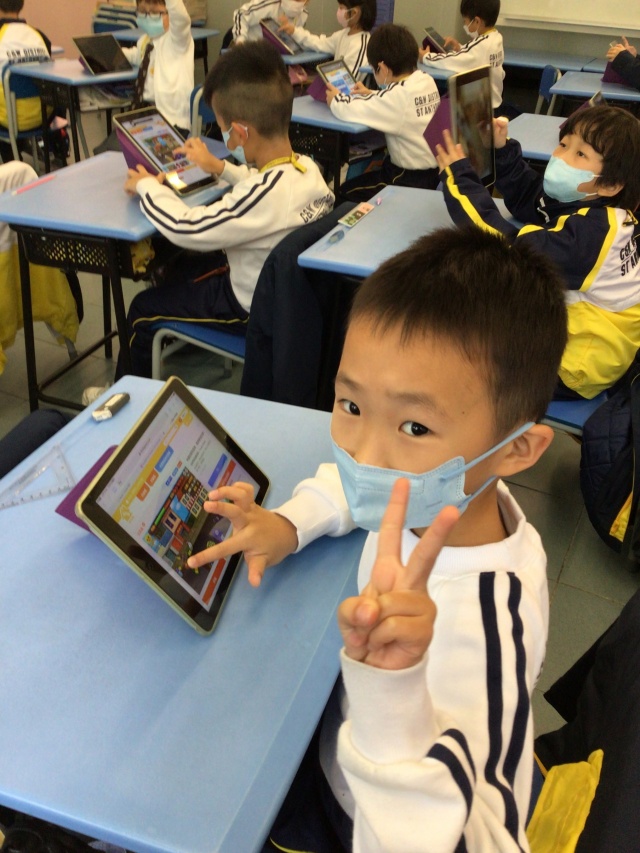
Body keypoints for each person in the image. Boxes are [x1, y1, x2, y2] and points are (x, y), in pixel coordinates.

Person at [185, 225, 569, 851]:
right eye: (351, 405)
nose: (365, 453)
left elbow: (488, 838)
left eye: (414, 427)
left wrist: (394, 700)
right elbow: (351, 484)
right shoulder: (436, 492)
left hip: (358, 815)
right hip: (339, 734)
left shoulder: (485, 624)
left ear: (517, 449)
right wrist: (289, 524)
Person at [82, 40, 333, 400]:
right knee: (177, 271)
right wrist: (220, 168)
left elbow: (187, 227)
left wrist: (148, 187)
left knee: (141, 309)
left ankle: (124, 402)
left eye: (224, 129)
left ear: (241, 133)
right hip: (286, 302)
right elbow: (264, 185)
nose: (224, 137)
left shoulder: (262, 197)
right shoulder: (307, 169)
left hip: (249, 310)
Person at [436, 104, 640, 401]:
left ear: (610, 185)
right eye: (563, 144)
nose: (561, 157)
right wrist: (502, 150)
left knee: (462, 339)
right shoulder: (597, 207)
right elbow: (534, 201)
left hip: (573, 367)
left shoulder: (590, 236)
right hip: (581, 334)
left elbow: (506, 247)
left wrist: (458, 179)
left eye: (580, 154)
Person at [327, 23, 440, 203]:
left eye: (374, 69)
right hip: (432, 175)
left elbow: (348, 109)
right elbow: (398, 102)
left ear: (383, 68)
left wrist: (335, 99)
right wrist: (371, 93)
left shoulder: (397, 97)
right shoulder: (425, 81)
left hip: (405, 180)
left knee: (342, 192)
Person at [420, 0, 505, 111]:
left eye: (465, 21)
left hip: (481, 109)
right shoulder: (496, 37)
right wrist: (459, 47)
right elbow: (474, 55)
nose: (465, 25)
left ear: (477, 21)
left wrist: (426, 57)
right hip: (494, 103)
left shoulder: (481, 46)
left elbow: (452, 60)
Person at [279, 0, 376, 76]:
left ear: (354, 13)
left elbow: (351, 82)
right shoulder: (343, 35)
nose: (338, 11)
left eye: (341, 8)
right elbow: (320, 43)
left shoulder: (361, 44)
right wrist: (294, 31)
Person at [231, 0, 308, 45]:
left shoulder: (303, 15)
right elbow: (240, 14)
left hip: (274, 55)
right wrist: (240, 41)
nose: (295, 2)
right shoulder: (268, 4)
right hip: (250, 48)